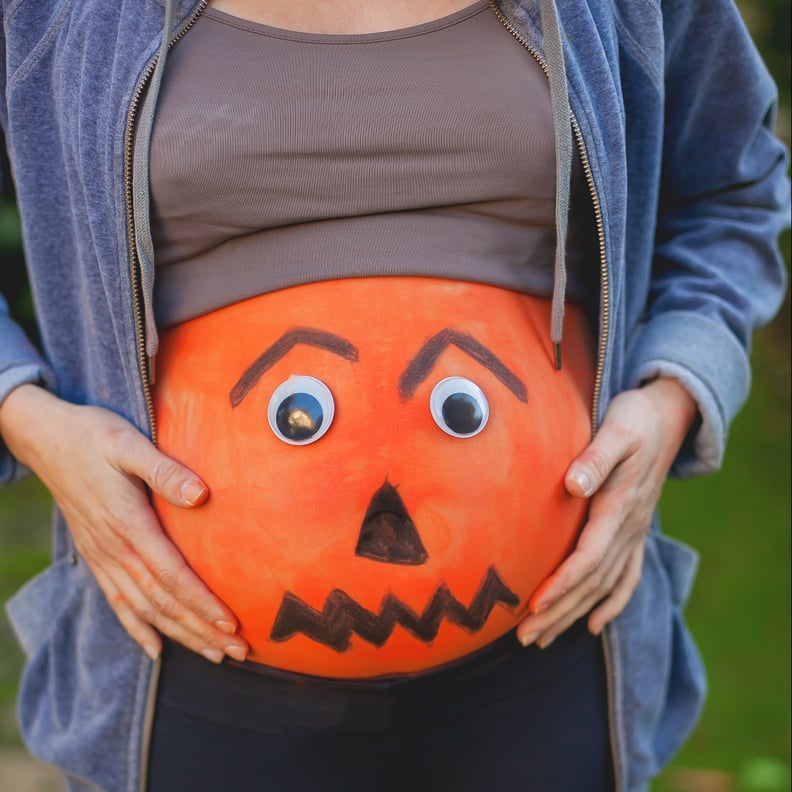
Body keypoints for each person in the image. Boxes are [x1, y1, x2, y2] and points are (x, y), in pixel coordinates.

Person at [0, 0, 787, 790]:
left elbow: (733, 191)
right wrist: (27, 419)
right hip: (188, 664)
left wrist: (673, 396)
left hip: (551, 647)